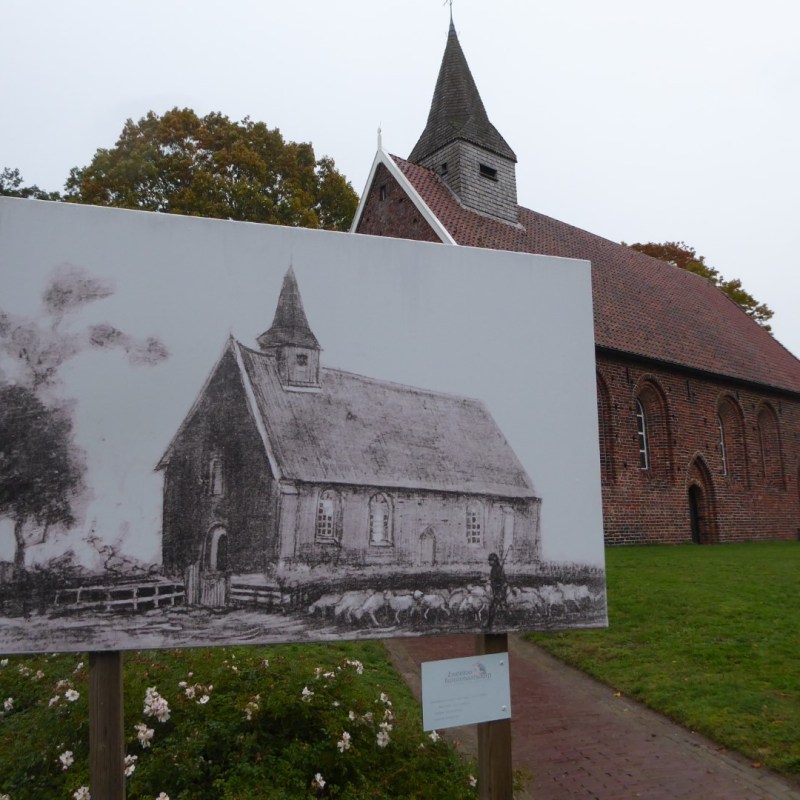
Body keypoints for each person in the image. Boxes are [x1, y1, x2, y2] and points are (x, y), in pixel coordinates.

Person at [486, 552, 508, 627]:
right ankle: (512, 622)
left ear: (494, 561)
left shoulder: (498, 569)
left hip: (499, 591)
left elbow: (503, 581)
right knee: (503, 608)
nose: (489, 562)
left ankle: (489, 625)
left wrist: (498, 589)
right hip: (497, 591)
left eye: (490, 560)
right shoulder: (494, 569)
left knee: (492, 607)